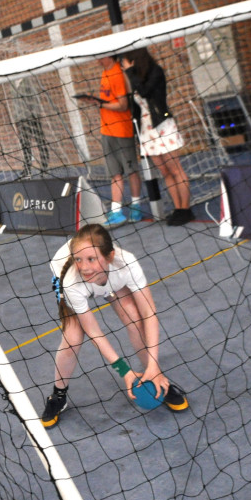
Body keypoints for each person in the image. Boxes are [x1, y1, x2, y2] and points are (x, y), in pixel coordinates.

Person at [41, 223, 188, 428]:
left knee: (135, 319)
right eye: (79, 259)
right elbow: (94, 332)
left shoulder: (126, 263)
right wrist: (124, 371)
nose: (84, 266)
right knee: (72, 339)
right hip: (77, 285)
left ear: (109, 257)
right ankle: (58, 395)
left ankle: (154, 377)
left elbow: (149, 313)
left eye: (91, 259)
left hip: (109, 281)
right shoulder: (72, 279)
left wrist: (154, 365)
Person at [121, 47, 194, 225]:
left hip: (162, 126)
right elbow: (136, 104)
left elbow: (145, 92)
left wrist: (130, 72)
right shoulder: (135, 77)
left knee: (175, 169)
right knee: (164, 171)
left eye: (126, 62)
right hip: (147, 130)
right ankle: (178, 208)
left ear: (135, 59)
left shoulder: (155, 72)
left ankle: (186, 208)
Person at [79, 56, 143, 226]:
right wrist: (96, 102)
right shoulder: (104, 74)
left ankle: (136, 207)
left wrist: (101, 104)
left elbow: (123, 105)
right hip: (106, 130)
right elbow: (109, 102)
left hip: (122, 130)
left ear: (108, 56)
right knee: (114, 172)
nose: (97, 59)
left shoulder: (118, 74)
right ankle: (116, 211)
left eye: (100, 55)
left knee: (131, 170)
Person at [9, 75, 50, 178]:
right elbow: (15, 103)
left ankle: (44, 168)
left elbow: (35, 99)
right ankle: (27, 169)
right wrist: (16, 119)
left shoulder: (28, 81)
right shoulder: (12, 83)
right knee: (25, 145)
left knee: (40, 142)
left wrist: (36, 115)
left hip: (32, 117)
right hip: (21, 119)